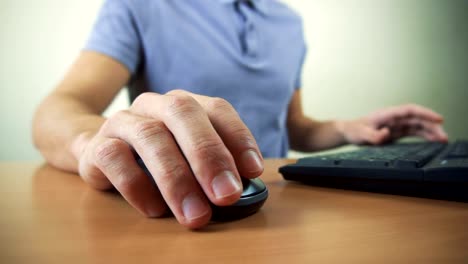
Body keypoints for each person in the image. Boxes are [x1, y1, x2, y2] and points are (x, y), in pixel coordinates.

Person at [32, 0, 448, 229]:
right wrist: (92, 144)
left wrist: (350, 129)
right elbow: (58, 109)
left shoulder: (289, 21)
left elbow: (291, 125)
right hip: (183, 211)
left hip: (284, 209)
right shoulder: (139, 6)